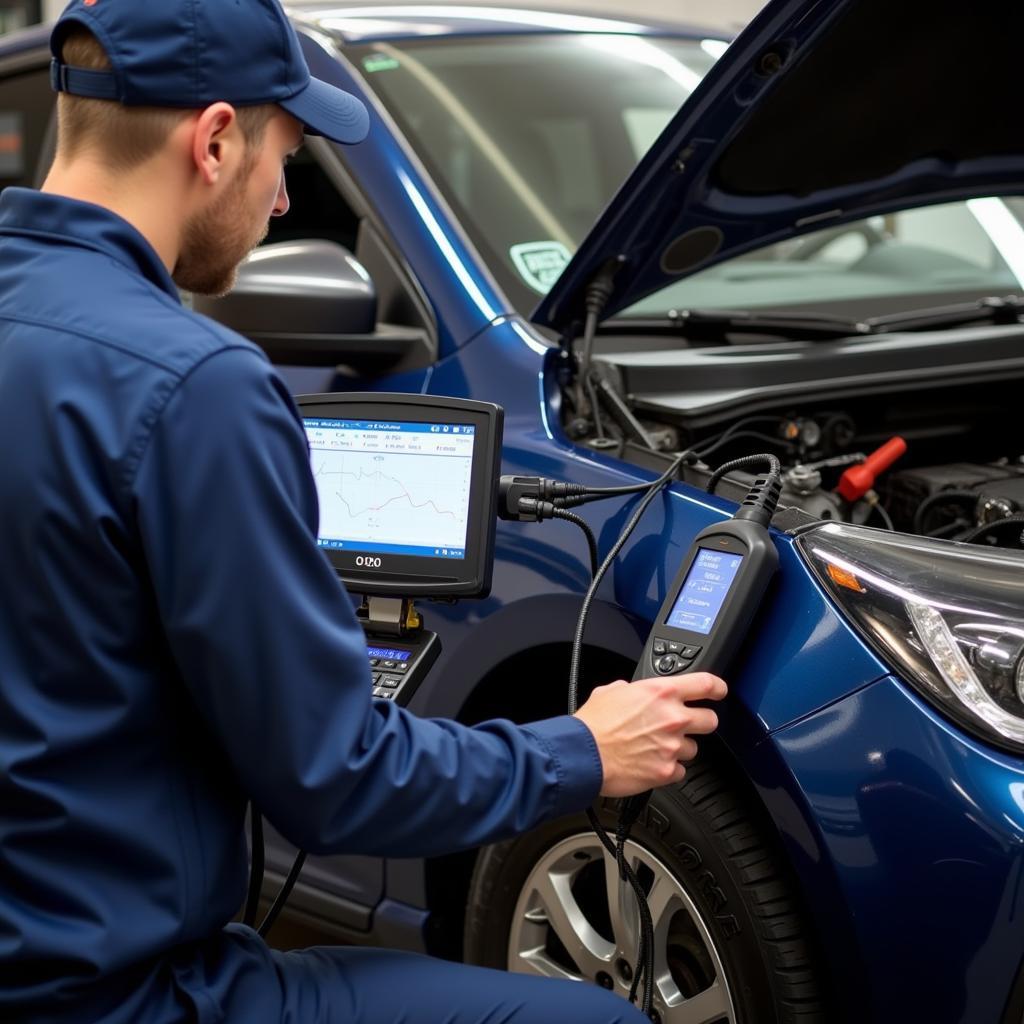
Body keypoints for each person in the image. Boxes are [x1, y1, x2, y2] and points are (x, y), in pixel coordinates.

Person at [0, 2, 728, 1022]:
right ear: (213, 141)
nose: (285, 199)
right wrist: (584, 748)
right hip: (111, 995)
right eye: (283, 155)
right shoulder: (193, 384)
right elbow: (331, 784)